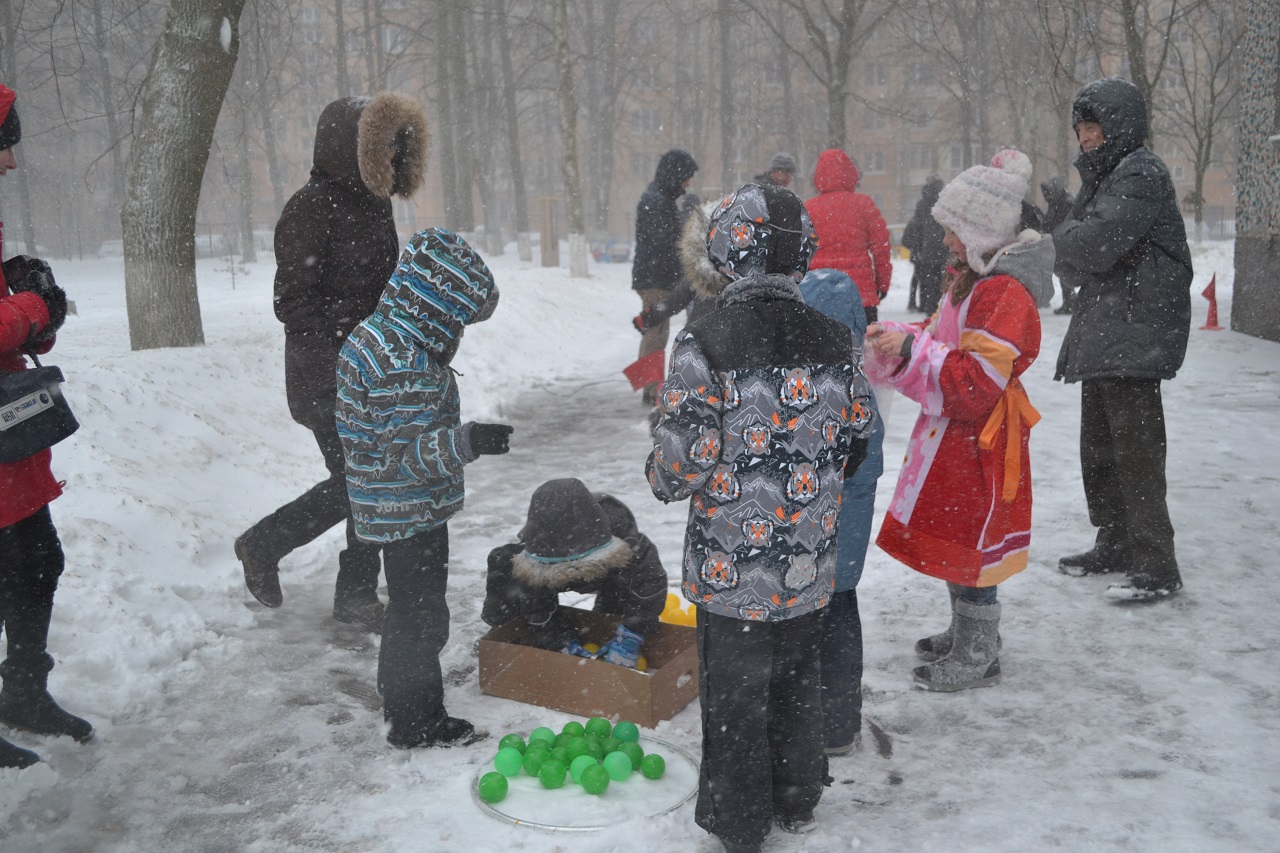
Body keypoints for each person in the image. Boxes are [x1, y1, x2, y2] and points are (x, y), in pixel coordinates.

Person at [647, 182, 873, 853]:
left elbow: (685, 459)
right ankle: (797, 794)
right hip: (807, 560)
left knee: (736, 693)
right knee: (796, 679)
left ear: (727, 252)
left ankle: (740, 819)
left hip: (733, 566)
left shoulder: (705, 340)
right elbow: (857, 434)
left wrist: (661, 471)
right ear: (801, 253)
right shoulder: (834, 336)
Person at [234, 93, 427, 633]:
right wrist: (344, 367)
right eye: (385, 146)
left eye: (398, 147)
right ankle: (267, 546)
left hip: (375, 371)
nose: (394, 157)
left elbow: (378, 289)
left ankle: (352, 592)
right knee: (362, 482)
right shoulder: (311, 207)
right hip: (328, 377)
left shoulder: (375, 204)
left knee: (370, 480)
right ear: (354, 147)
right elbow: (293, 303)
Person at [865, 151, 1049, 692]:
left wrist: (913, 349)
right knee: (956, 533)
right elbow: (942, 337)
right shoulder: (974, 280)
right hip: (956, 435)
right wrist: (902, 337)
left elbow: (975, 382)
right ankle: (967, 632)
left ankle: (979, 650)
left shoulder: (1003, 292)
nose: (944, 240)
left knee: (973, 542)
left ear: (980, 232)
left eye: (952, 230)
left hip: (980, 439)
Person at [335, 227, 510, 750]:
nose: (459, 330)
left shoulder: (383, 335)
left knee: (411, 611)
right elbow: (408, 456)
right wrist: (469, 441)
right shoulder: (401, 363)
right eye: (458, 317)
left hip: (391, 503)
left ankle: (403, 706)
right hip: (407, 508)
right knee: (420, 616)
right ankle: (415, 721)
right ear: (437, 305)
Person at [1051, 77, 1191, 601]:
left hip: (1134, 333)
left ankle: (1156, 564)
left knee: (1136, 455)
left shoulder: (1139, 172)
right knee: (1101, 451)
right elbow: (1075, 261)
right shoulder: (1106, 178)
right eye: (1080, 129)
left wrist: (1062, 235)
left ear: (1119, 126)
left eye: (1093, 126)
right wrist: (1069, 239)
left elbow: (1091, 246)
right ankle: (1115, 543)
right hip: (1107, 331)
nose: (1085, 137)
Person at [0, 83, 92, 769]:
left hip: (10, 443)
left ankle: (25, 691)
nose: (10, 162)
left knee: (38, 561)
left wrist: (41, 309)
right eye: (3, 146)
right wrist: (31, 305)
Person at [797, 268, 885, 756]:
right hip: (844, 552)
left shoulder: (813, 393)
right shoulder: (859, 389)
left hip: (814, 548)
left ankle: (825, 723)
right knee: (840, 625)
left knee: (817, 631)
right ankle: (839, 723)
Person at [481, 478, 666, 665]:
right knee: (507, 569)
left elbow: (649, 582)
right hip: (547, 566)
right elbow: (536, 604)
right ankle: (508, 634)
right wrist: (557, 640)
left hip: (609, 574)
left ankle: (610, 614)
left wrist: (631, 633)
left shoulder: (625, 543)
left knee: (613, 613)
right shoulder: (537, 557)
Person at [632, 148, 699, 407]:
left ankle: (649, 388)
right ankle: (650, 392)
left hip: (656, 276)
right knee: (655, 333)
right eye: (686, 177)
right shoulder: (657, 201)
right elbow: (662, 245)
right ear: (675, 175)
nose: (688, 183)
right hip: (655, 279)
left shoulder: (660, 198)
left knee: (656, 331)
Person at [804, 148, 893, 323]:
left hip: (820, 295)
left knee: (823, 340)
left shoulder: (808, 209)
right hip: (860, 295)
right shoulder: (864, 204)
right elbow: (881, 249)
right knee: (864, 340)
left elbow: (800, 254)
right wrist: (883, 284)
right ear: (851, 172)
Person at [901, 177, 947, 316]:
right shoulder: (944, 202)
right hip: (943, 248)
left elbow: (916, 228)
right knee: (941, 280)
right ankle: (940, 308)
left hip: (927, 250)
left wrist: (918, 247)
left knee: (927, 280)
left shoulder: (923, 204)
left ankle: (928, 308)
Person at [1040, 175, 1078, 314]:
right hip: (1059, 243)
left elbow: (1063, 222)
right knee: (1063, 274)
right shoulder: (1057, 203)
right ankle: (1069, 302)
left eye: (1048, 193)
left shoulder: (1066, 204)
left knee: (1066, 273)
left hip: (1065, 244)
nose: (1047, 196)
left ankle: (1070, 302)